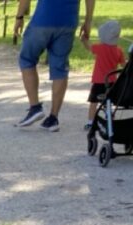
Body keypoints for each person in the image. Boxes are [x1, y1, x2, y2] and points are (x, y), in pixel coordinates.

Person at [13, 0, 96, 131]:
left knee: (27, 59)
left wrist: (19, 17)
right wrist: (88, 21)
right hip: (68, 21)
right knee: (60, 67)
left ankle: (35, 107)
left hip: (43, 19)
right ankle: (53, 117)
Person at [81, 20, 125, 129]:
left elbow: (88, 47)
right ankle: (108, 118)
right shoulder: (119, 50)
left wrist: (83, 39)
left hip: (99, 81)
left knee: (93, 102)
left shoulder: (99, 48)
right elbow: (123, 65)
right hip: (111, 82)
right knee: (108, 102)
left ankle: (90, 122)